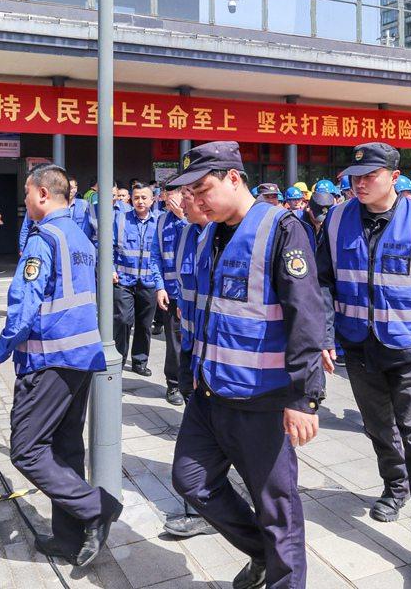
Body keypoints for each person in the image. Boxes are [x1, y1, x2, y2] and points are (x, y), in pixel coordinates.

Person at [168, 141, 327, 589]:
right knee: (191, 479)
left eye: (203, 189)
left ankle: (284, 579)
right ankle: (261, 553)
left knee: (277, 505)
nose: (195, 201)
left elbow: (306, 315)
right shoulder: (207, 233)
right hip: (210, 390)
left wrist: (304, 396)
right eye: (190, 193)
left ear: (234, 178)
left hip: (264, 396)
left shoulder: (282, 228)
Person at [317, 142, 411, 582]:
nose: (360, 182)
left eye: (369, 174)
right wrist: (324, 336)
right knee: (377, 427)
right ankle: (395, 486)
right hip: (358, 348)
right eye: (355, 176)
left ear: (394, 175)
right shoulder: (334, 219)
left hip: (409, 349)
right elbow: (322, 283)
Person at [0, 164, 121, 567]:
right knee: (63, 449)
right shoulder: (79, 235)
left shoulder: (44, 237)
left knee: (26, 449)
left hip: (49, 358)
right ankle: (67, 538)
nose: (24, 202)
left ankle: (97, 507)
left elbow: (25, 304)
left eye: (27, 194)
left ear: (43, 194)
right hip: (80, 357)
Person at [161, 184, 216, 539]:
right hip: (191, 345)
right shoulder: (186, 235)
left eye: (190, 193)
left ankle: (207, 508)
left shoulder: (218, 236)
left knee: (208, 437)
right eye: (182, 193)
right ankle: (206, 506)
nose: (181, 200)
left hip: (215, 353)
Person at [113, 182, 163, 376]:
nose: (140, 201)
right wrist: (110, 268)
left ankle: (140, 361)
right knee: (124, 320)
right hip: (124, 280)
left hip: (149, 282)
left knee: (144, 324)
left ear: (152, 200)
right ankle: (119, 358)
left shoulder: (159, 221)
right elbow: (108, 245)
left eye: (144, 197)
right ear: (131, 199)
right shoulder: (121, 219)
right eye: (136, 198)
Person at [151, 184, 188, 404]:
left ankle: (192, 384)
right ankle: (173, 385)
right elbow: (155, 256)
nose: (168, 199)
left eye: (173, 194)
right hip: (171, 294)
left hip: (193, 294)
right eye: (166, 194)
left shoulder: (194, 219)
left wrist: (182, 216)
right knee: (173, 343)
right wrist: (160, 286)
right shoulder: (162, 221)